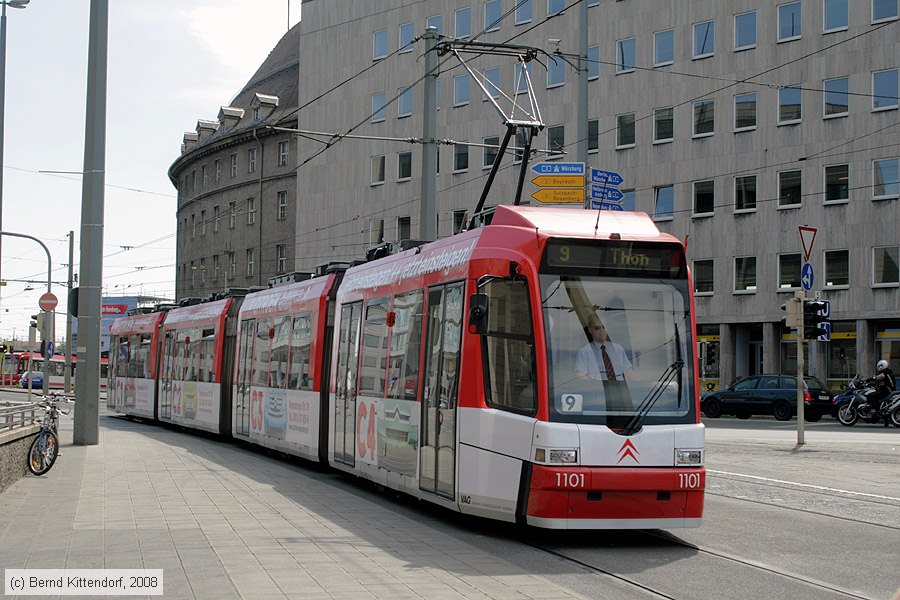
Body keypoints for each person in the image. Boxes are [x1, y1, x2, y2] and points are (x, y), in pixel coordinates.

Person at [575, 316, 634, 382]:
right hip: (597, 390)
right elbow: (580, 376)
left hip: (619, 389)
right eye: (597, 328)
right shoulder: (584, 352)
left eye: (604, 327)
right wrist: (595, 386)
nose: (602, 330)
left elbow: (630, 373)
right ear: (590, 330)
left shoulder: (618, 349)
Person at [863, 359, 895, 426]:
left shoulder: (885, 372)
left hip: (886, 391)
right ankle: (885, 421)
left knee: (870, 396)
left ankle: (875, 411)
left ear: (881, 366)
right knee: (882, 403)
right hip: (888, 391)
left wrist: (869, 379)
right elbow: (881, 382)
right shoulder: (889, 372)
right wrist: (871, 383)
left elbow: (879, 377)